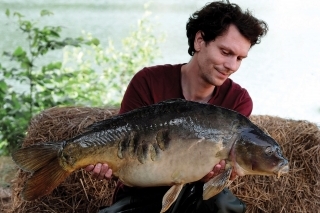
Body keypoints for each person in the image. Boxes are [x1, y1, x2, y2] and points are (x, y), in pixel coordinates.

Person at [86, 1, 268, 212]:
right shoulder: (148, 81)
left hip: (197, 195)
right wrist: (104, 163)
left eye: (239, 58)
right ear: (200, 41)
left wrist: (216, 173)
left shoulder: (238, 100)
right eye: (225, 52)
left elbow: (219, 174)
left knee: (221, 203)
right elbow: (120, 142)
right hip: (142, 192)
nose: (232, 66)